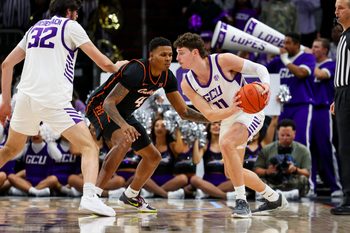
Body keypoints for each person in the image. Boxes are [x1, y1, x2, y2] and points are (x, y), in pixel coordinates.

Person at [0, 0, 126, 216]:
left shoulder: (34, 28)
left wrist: (5, 102)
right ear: (70, 12)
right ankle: (89, 198)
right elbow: (102, 62)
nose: (77, 17)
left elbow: (6, 64)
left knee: (10, 150)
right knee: (89, 147)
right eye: (76, 13)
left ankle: (89, 197)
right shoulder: (71, 26)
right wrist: (116, 67)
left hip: (24, 98)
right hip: (52, 99)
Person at [85, 36, 208, 212]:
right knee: (124, 141)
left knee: (153, 157)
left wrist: (210, 117)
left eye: (170, 55)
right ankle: (94, 196)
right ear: (151, 56)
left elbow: (184, 111)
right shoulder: (138, 70)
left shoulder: (167, 76)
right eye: (163, 54)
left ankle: (131, 195)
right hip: (100, 106)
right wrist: (124, 126)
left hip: (123, 113)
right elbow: (109, 103)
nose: (168, 58)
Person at [174, 32, 288, 218]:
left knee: (226, 143)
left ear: (195, 53)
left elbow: (260, 69)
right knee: (231, 172)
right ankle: (273, 197)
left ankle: (241, 202)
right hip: (229, 116)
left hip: (250, 112)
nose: (177, 57)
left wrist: (265, 85)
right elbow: (210, 115)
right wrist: (232, 110)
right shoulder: (188, 83)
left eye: (180, 53)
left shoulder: (223, 61)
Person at [267, 32, 316, 147]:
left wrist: (286, 61)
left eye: (288, 43)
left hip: (302, 104)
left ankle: (303, 165)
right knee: (281, 141)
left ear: (297, 44)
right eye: (284, 43)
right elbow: (262, 71)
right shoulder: (278, 61)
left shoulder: (307, 57)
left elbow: (301, 73)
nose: (285, 46)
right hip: (283, 106)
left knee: (301, 139)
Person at [310, 38, 342, 198]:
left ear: (324, 50)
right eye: (312, 47)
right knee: (311, 149)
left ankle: (335, 184)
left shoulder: (331, 64)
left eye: (316, 47)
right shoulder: (311, 64)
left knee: (325, 147)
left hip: (323, 110)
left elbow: (321, 75)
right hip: (310, 109)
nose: (312, 50)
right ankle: (311, 186)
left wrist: (307, 59)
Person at [254, 119, 311, 199]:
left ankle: (274, 194)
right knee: (258, 180)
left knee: (303, 179)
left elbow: (307, 173)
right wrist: (267, 171)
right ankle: (280, 194)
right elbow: (256, 169)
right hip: (272, 180)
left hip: (291, 181)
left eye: (288, 135)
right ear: (277, 134)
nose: (285, 138)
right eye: (282, 135)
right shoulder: (267, 149)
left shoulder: (303, 150)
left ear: (294, 134)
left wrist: (295, 170)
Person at [330, 0, 350, 215]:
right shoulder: (344, 36)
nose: (336, 11)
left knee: (346, 148)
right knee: (340, 145)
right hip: (342, 94)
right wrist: (338, 97)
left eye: (341, 7)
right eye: (336, 7)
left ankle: (349, 199)